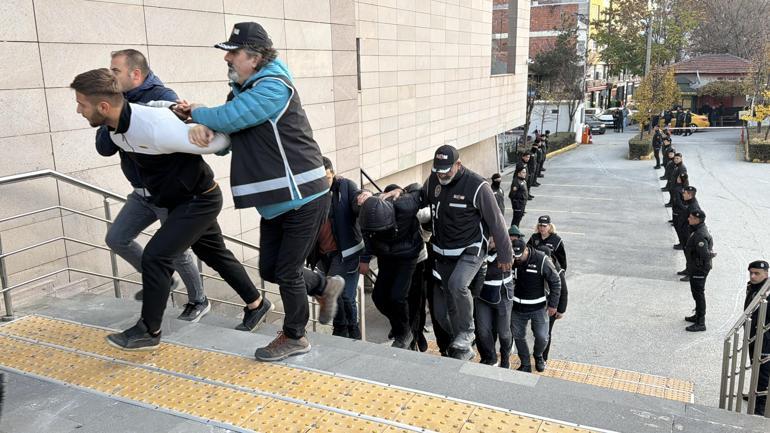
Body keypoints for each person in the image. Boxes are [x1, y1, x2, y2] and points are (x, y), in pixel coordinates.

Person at [71, 68, 273, 350]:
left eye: (82, 104)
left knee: (156, 256)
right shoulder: (116, 129)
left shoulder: (156, 128)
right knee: (213, 253)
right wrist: (171, 107)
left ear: (103, 107)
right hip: (174, 200)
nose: (78, 110)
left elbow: (222, 141)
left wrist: (200, 123)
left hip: (199, 199)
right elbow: (153, 108)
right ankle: (257, 303)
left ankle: (149, 330)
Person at [181, 22, 345, 361]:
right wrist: (204, 127)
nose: (227, 58)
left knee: (287, 272)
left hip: (304, 195)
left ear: (255, 58)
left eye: (233, 52)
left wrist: (197, 112)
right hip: (276, 202)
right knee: (270, 270)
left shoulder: (273, 87)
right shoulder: (243, 91)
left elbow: (231, 117)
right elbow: (229, 137)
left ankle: (295, 336)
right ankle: (324, 286)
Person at [94, 49, 207, 321]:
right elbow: (104, 148)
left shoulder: (163, 97)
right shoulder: (117, 100)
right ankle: (161, 280)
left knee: (176, 252)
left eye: (116, 71)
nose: (111, 76)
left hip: (167, 192)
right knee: (117, 238)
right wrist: (114, 112)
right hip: (140, 193)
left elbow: (181, 140)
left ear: (135, 74)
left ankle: (199, 300)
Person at [416, 145, 512, 360]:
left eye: (446, 170)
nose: (442, 175)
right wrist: (400, 194)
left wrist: (505, 254)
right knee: (450, 301)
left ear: (458, 164)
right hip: (443, 251)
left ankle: (468, 332)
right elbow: (419, 198)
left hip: (471, 249)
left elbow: (497, 222)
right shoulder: (433, 181)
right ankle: (460, 344)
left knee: (458, 285)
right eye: (438, 170)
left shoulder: (478, 186)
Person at [358, 185, 424, 349]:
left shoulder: (405, 205)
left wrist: (402, 190)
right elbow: (366, 236)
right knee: (379, 297)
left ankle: (404, 333)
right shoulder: (366, 213)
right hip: (385, 255)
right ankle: (399, 326)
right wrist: (365, 259)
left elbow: (419, 189)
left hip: (407, 255)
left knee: (397, 296)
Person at [307, 157, 364, 339]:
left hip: (345, 253)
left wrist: (367, 196)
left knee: (342, 293)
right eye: (320, 179)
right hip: (323, 255)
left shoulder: (345, 187)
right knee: (339, 295)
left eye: (328, 178)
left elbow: (358, 199)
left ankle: (350, 329)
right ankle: (343, 328)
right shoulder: (312, 192)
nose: (324, 183)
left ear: (333, 174)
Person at [510, 239, 561, 372]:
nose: (517, 259)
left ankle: (538, 356)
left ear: (526, 250)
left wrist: (553, 305)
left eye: (520, 255)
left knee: (542, 337)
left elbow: (555, 281)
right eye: (515, 256)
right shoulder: (512, 258)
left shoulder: (541, 259)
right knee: (518, 336)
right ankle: (525, 363)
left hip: (538, 308)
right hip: (517, 308)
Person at [527, 216, 568, 361]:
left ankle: (542, 358)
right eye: (540, 225)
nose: (542, 228)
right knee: (537, 329)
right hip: (537, 280)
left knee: (546, 331)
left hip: (551, 276)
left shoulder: (556, 240)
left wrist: (560, 309)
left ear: (550, 226)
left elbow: (563, 262)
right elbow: (528, 253)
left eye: (544, 226)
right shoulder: (534, 238)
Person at [474, 237, 513, 368]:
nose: (490, 243)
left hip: (502, 295)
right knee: (483, 331)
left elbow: (496, 270)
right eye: (489, 239)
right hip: (482, 295)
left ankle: (505, 356)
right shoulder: (479, 248)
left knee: (504, 333)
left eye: (493, 240)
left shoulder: (506, 250)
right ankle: (491, 357)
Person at [743, 260, 769, 416]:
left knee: (763, 372)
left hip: (765, 338)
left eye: (757, 273)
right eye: (751, 273)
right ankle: (755, 393)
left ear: (766, 274)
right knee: (755, 367)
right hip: (753, 335)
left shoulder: (767, 292)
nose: (753, 276)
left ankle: (760, 408)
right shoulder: (753, 287)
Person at [683, 210, 713, 332]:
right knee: (696, 293)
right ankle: (697, 315)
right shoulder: (697, 229)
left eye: (690, 217)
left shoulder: (700, 234)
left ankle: (701, 322)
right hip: (696, 268)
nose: (688, 219)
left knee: (699, 294)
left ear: (697, 220)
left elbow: (705, 255)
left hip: (699, 269)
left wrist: (697, 265)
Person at [673, 185, 699, 253]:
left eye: (685, 193)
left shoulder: (693, 207)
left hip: (686, 232)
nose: (683, 194)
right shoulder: (689, 202)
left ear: (690, 195)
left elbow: (695, 223)